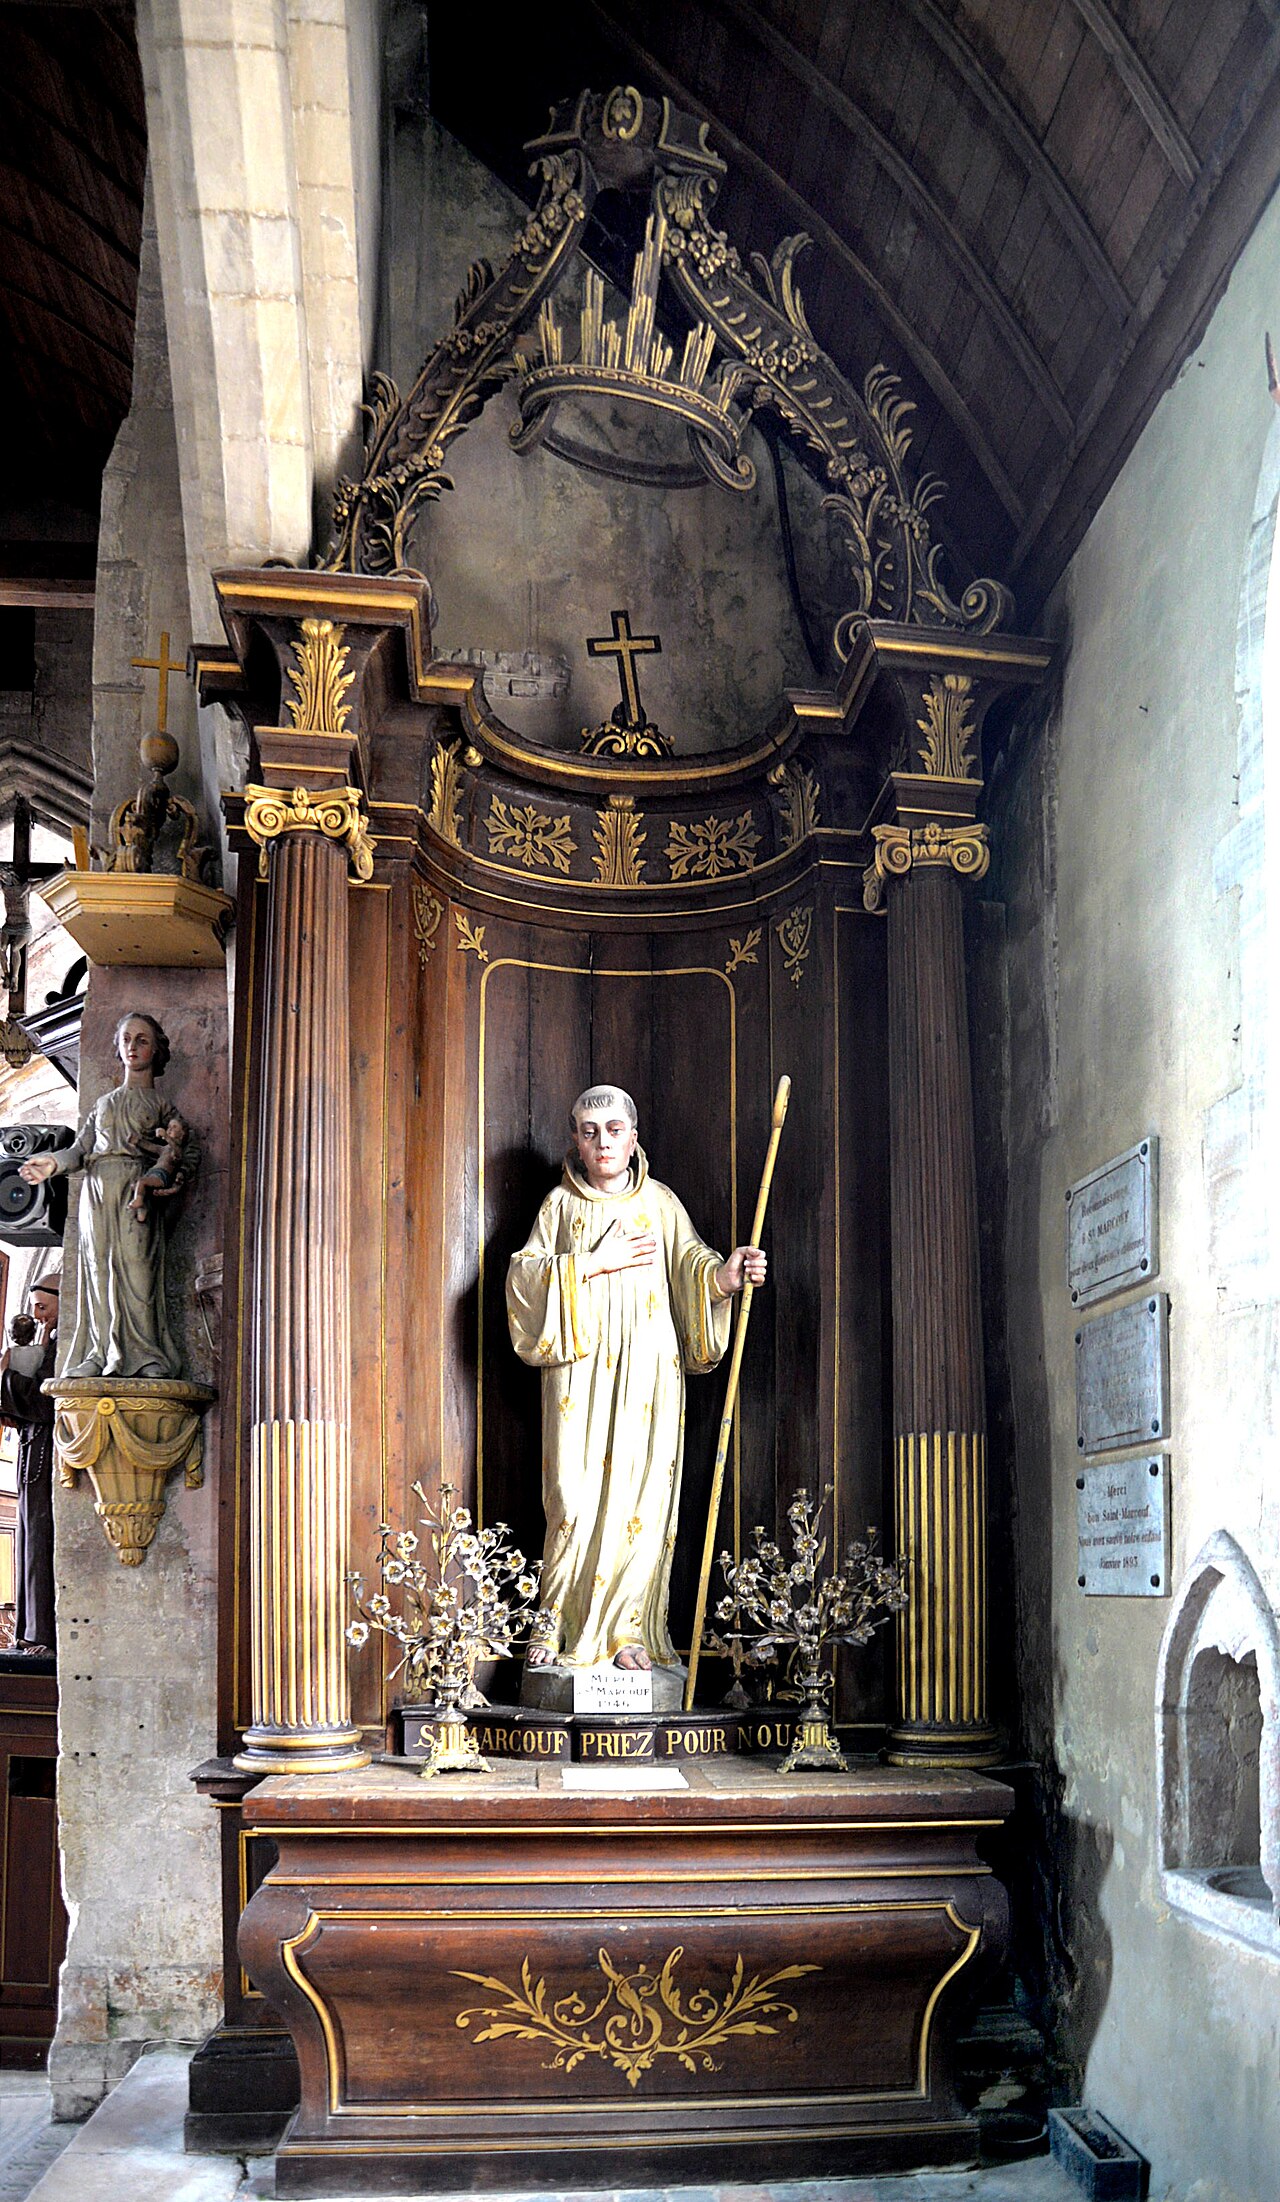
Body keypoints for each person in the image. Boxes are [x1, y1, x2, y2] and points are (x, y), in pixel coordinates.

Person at [506, 1084, 766, 1676]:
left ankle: (628, 1627)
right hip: (579, 1374)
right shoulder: (558, 1208)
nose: (603, 1142)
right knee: (571, 1498)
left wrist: (724, 1279)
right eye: (590, 1131)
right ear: (573, 1137)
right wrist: (594, 1263)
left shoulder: (660, 1203)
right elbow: (523, 1285)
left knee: (639, 1497)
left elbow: (691, 1268)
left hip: (649, 1372)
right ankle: (558, 1620)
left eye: (615, 1130)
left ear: (634, 1137)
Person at [19, 1012, 195, 1380]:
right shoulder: (102, 1105)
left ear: (157, 1049)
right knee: (97, 1272)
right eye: (126, 1039)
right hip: (97, 1190)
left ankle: (146, 1355)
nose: (132, 1046)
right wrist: (50, 1164)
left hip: (135, 1188)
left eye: (142, 1039)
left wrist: (166, 1177)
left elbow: (182, 1154)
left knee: (138, 1269)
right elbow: (78, 1151)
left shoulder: (163, 1108)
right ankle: (100, 1354)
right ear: (117, 1047)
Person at [0, 1274, 59, 1655]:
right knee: (26, 1536)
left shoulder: (64, 1344)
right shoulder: (46, 1342)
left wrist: (6, 1375)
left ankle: (44, 1635)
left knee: (40, 1535)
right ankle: (29, 1629)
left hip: (49, 1447)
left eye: (43, 1306)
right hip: (30, 1446)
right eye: (34, 1306)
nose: (36, 1314)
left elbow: (45, 1398)